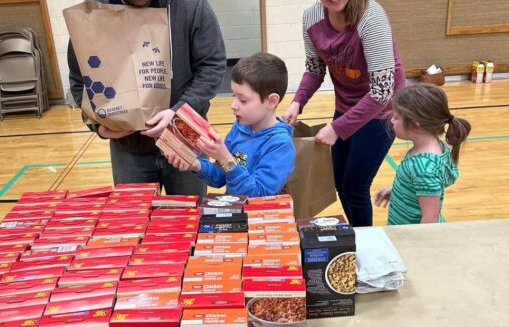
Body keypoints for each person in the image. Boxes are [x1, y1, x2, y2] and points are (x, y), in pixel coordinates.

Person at [67, 0, 226, 196]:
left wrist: (180, 111)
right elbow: (79, 80)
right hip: (129, 149)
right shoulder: (95, 13)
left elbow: (212, 66)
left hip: (185, 137)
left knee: (191, 219)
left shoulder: (191, 6)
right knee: (136, 220)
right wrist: (98, 126)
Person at [282, 0, 406, 227]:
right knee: (339, 180)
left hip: (382, 111)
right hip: (347, 105)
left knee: (355, 184)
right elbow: (315, 69)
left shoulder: (372, 18)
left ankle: (364, 240)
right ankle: (356, 234)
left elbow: (382, 92)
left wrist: (338, 128)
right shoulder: (311, 18)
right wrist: (297, 102)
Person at [166, 52, 295, 197]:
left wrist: (225, 158)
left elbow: (257, 195)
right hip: (234, 214)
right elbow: (221, 176)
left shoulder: (280, 144)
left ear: (271, 101)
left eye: (243, 100)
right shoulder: (239, 128)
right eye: (234, 96)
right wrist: (196, 165)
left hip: (259, 217)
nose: (233, 105)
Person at [374, 83, 471, 225]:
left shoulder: (424, 169)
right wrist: (398, 190)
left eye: (396, 117)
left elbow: (429, 220)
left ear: (415, 123)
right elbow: (420, 187)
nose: (392, 121)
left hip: (410, 239)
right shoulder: (436, 148)